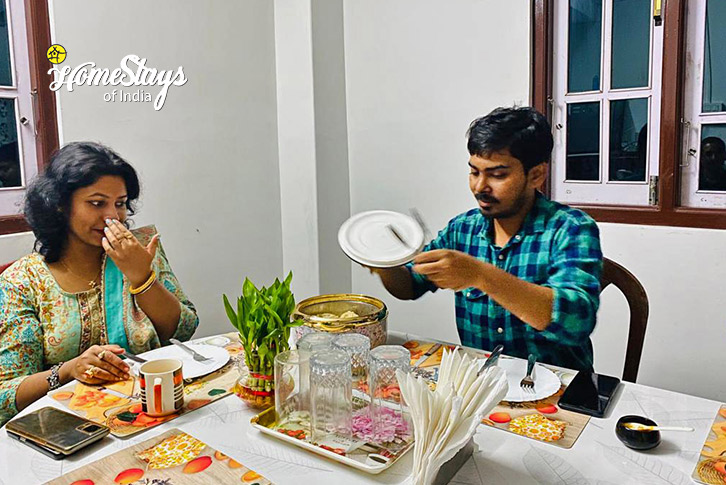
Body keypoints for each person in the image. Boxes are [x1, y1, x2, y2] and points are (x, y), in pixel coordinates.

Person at [372, 107, 603, 371]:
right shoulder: (463, 229)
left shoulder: (571, 229)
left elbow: (576, 321)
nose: (480, 187)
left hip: (558, 392)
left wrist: (480, 275)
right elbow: (411, 285)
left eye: (497, 175)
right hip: (483, 384)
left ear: (536, 175)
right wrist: (382, 262)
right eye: (474, 172)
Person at [0, 142, 199, 425]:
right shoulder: (23, 282)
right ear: (58, 205)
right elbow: (6, 393)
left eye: (120, 204)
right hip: (67, 429)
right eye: (96, 203)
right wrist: (70, 370)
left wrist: (141, 277)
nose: (113, 216)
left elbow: (183, 330)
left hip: (156, 413)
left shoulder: (138, 251)